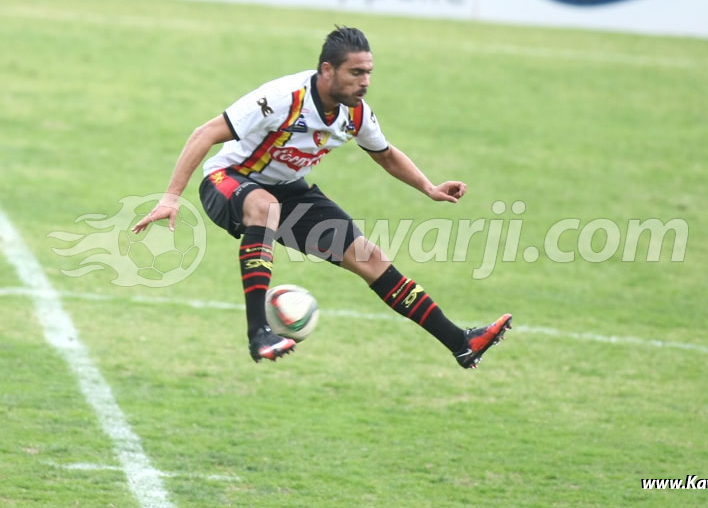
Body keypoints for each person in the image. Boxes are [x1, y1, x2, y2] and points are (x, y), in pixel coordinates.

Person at [133, 26, 511, 369]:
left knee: (370, 258)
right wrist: (170, 198)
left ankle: (461, 343)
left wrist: (428, 187)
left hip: (289, 189)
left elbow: (386, 154)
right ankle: (258, 333)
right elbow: (204, 133)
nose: (365, 82)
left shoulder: (355, 114)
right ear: (327, 70)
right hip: (227, 180)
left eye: (368, 73)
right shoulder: (282, 98)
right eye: (356, 73)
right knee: (265, 206)